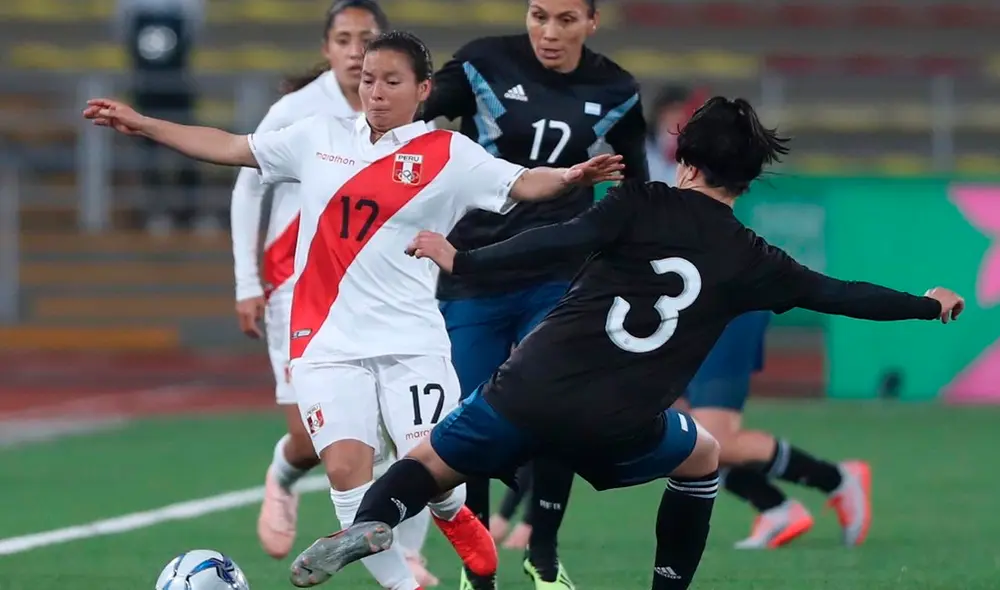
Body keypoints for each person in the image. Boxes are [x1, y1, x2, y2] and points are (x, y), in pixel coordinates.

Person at [289, 96, 965, 590]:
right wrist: (925, 304)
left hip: (528, 390)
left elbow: (556, 241)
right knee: (702, 455)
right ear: (748, 177)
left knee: (428, 462)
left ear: (686, 159)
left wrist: (463, 261)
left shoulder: (639, 203)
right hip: (623, 422)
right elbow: (841, 294)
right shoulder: (755, 259)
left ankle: (372, 519)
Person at [83, 30, 623, 590]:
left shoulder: (449, 154)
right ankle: (402, 585)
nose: (376, 92)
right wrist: (143, 124)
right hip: (324, 338)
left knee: (431, 468)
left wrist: (570, 176)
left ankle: (450, 510)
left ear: (424, 89)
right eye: (368, 80)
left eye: (392, 81)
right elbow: (230, 146)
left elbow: (521, 182)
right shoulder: (318, 136)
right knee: (346, 473)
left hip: (411, 339)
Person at [419, 0, 648, 586]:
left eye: (566, 19)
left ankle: (542, 550)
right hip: (474, 272)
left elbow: (636, 187)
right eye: (538, 15)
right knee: (470, 418)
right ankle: (478, 567)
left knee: (557, 406)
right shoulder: (482, 63)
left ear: (592, 22)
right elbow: (413, 115)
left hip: (559, 275)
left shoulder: (617, 89)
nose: (549, 31)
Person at [227, 2, 439, 583]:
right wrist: (247, 281)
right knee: (310, 439)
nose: (354, 50)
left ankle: (407, 554)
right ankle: (283, 474)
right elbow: (248, 187)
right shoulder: (298, 110)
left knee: (409, 435)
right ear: (326, 48)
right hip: (299, 291)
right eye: (343, 39)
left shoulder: (409, 112)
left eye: (365, 38)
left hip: (382, 295)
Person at [644, 87, 870, 551]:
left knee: (714, 439)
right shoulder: (645, 163)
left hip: (725, 308)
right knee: (669, 428)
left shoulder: (692, 167)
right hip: (685, 307)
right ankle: (775, 507)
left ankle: (835, 479)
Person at [116, 0, 213, 233]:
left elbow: (193, 29)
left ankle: (191, 212)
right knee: (147, 146)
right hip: (146, 83)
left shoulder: (185, 6)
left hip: (177, 80)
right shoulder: (133, 6)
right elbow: (123, 29)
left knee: (188, 144)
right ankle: (156, 212)